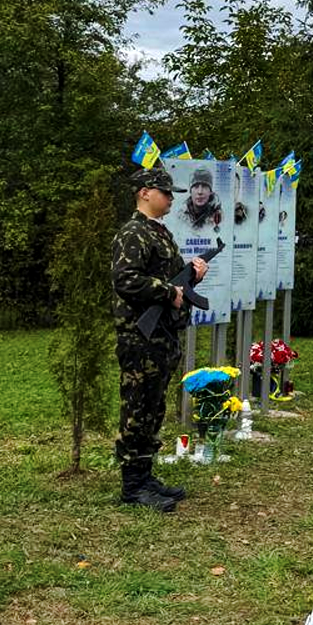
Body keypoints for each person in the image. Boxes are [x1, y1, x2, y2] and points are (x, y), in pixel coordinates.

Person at [111, 167, 208, 513]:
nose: (170, 198)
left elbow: (172, 279)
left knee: (153, 406)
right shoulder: (133, 233)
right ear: (144, 193)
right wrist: (168, 291)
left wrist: (192, 275)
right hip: (139, 335)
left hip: (161, 335)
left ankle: (145, 473)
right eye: (165, 192)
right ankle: (133, 485)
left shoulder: (159, 233)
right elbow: (126, 280)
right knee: (137, 407)